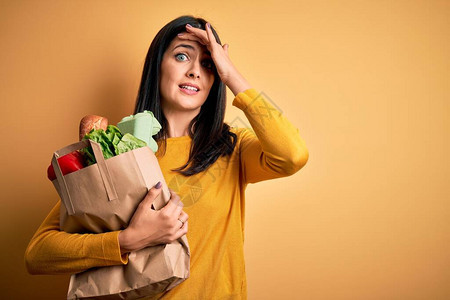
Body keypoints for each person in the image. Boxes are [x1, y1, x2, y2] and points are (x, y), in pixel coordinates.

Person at [24, 15, 309, 299]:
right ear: (157, 67)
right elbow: (38, 254)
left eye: (208, 63)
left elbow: (293, 155)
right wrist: (128, 240)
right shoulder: (121, 153)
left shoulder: (233, 147)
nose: (195, 71)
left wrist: (232, 76)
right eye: (182, 56)